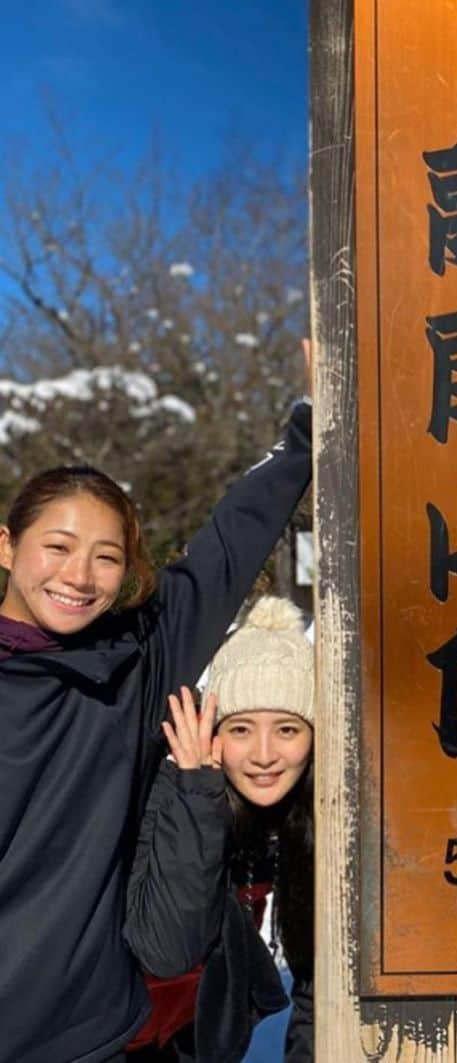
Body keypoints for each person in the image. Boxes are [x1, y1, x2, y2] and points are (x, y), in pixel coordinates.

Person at [0, 348, 311, 1063]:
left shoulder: (136, 661)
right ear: (9, 545)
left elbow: (229, 546)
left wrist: (309, 424)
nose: (80, 575)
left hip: (95, 1035)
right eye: (58, 545)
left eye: (107, 555)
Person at [124, 595, 314, 1063]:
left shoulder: (309, 819)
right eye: (241, 730)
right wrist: (196, 795)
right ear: (213, 734)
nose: (264, 753)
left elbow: (319, 980)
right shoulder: (171, 799)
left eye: (287, 729)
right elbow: (171, 948)